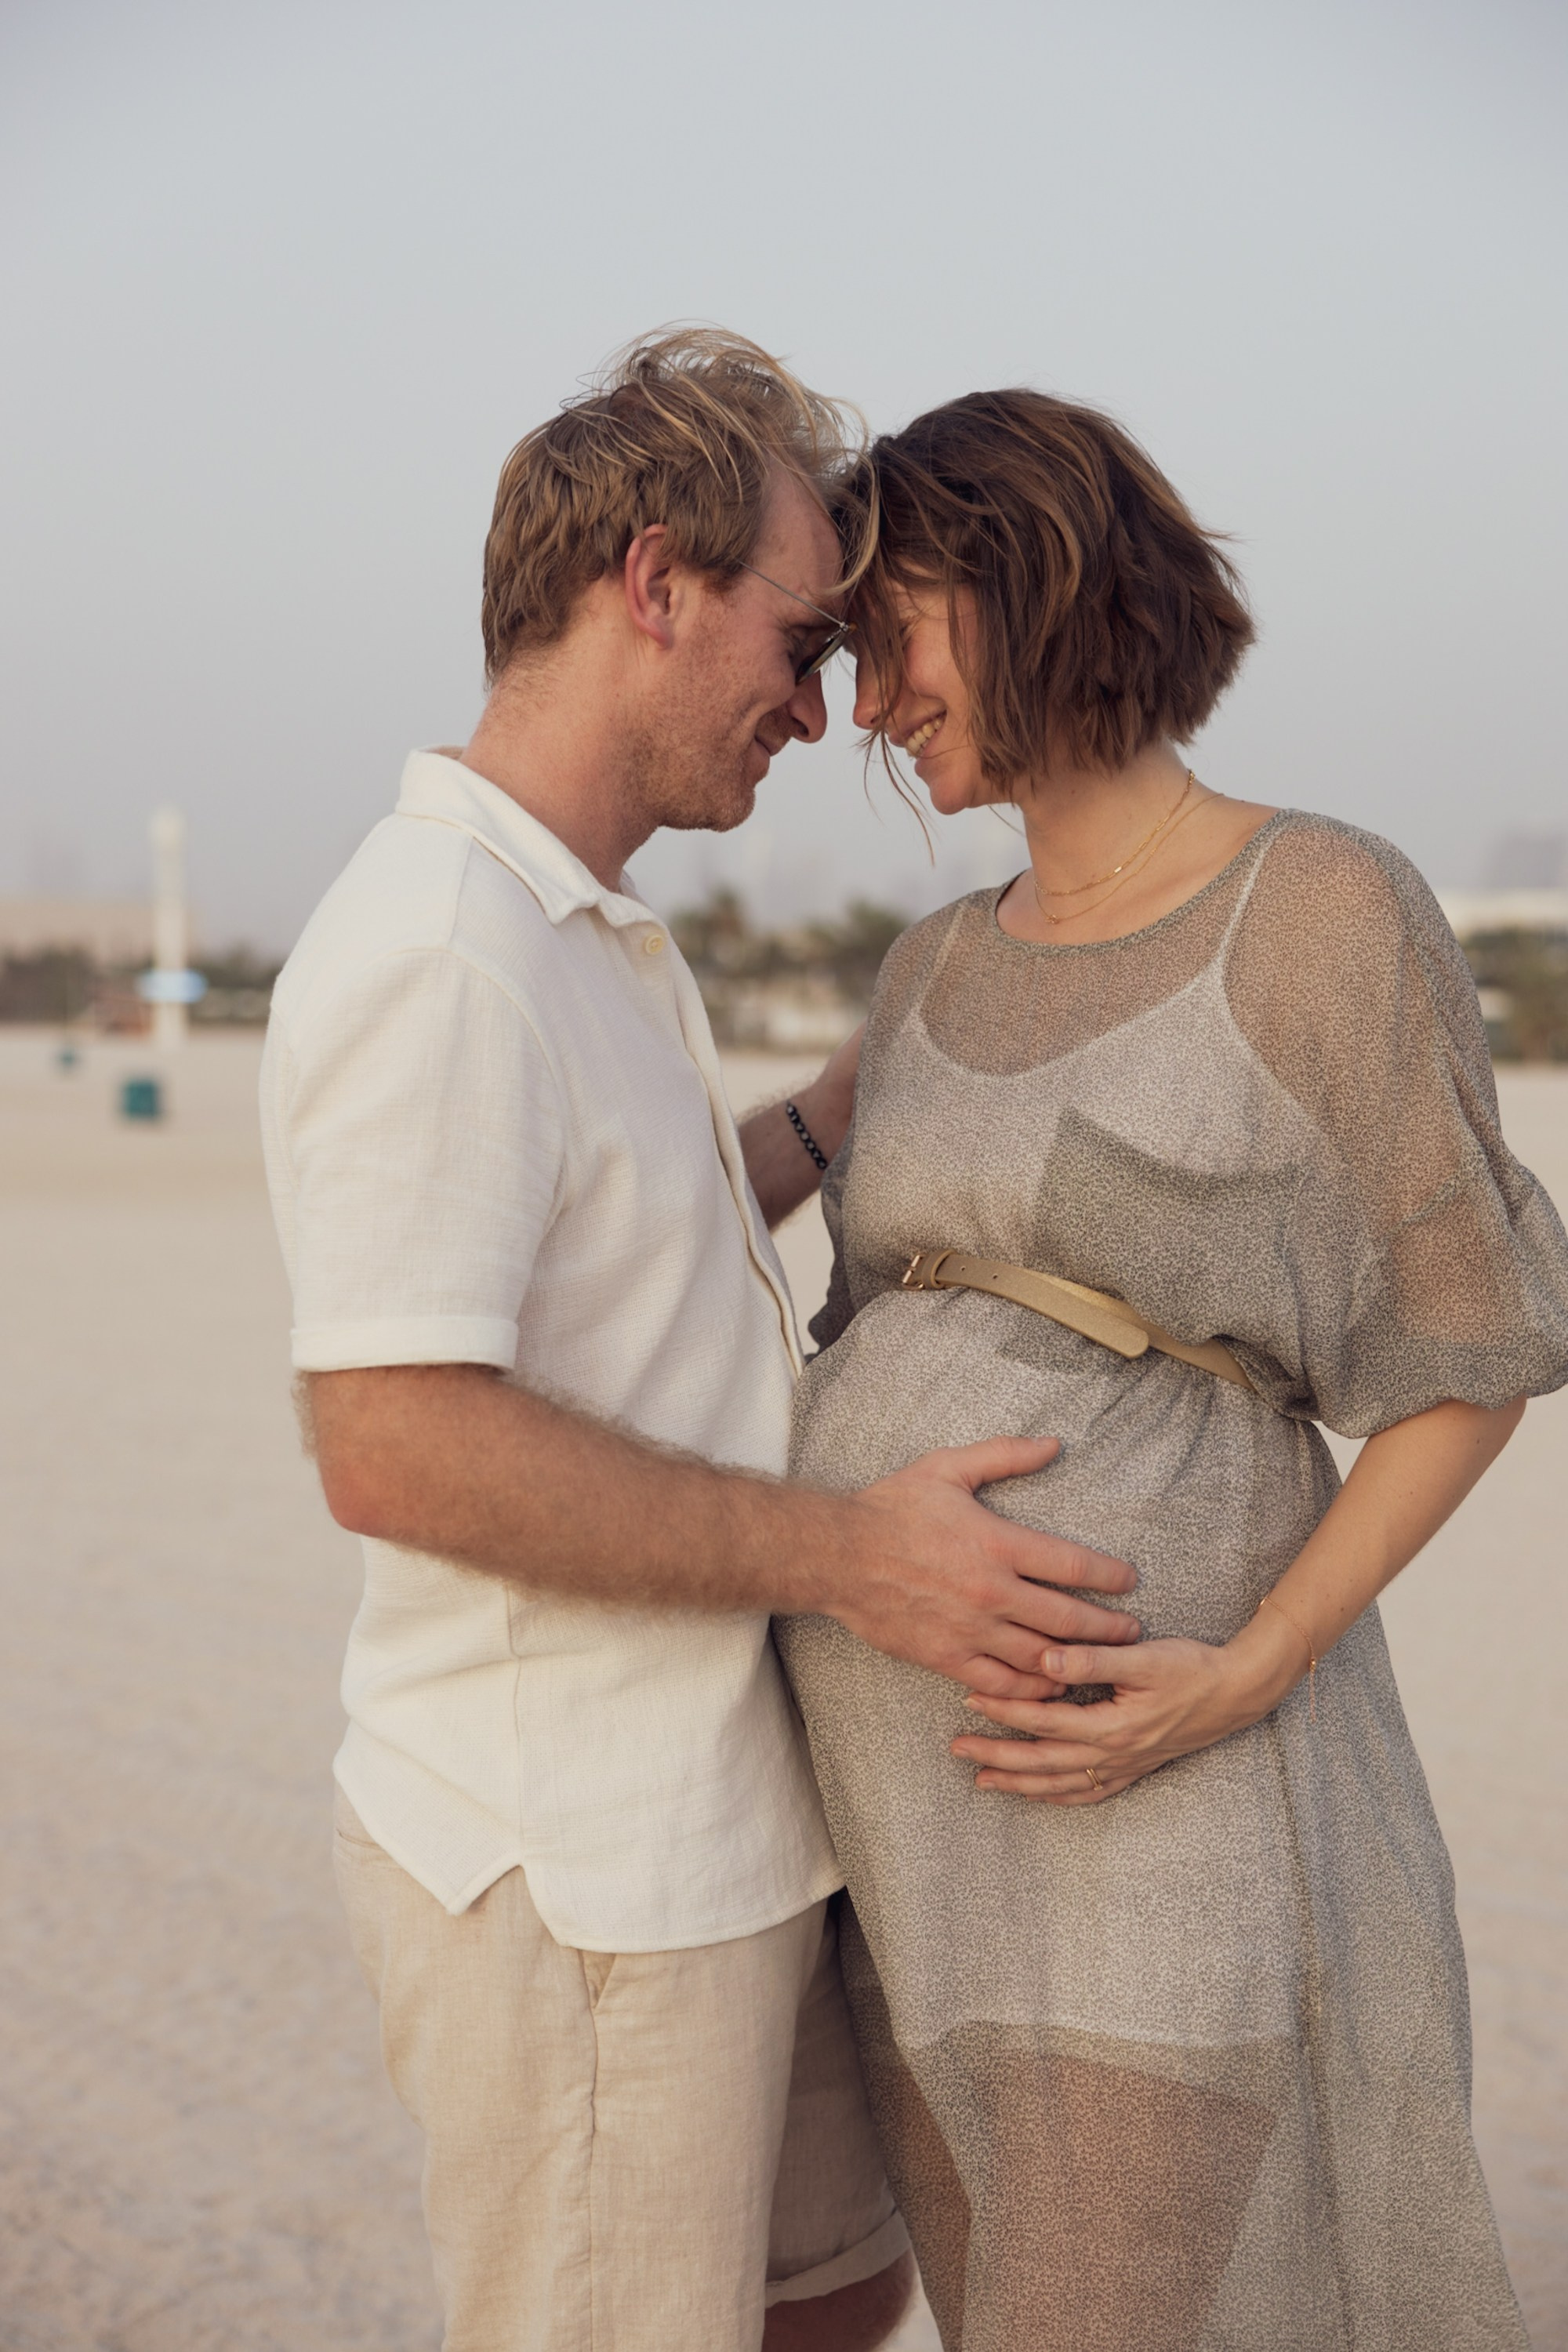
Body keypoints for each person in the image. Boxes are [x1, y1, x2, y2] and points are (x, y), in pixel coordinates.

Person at [259, 332, 1142, 2352]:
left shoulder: (585, 928)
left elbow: (630, 1258)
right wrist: (861, 1559)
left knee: (834, 2300)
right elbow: (393, 1441)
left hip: (739, 1832)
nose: (824, 708)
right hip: (580, 1879)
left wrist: (846, 1108)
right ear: (650, 585)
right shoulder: (439, 952)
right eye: (799, 639)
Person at [777, 387, 1568, 2351]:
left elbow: (1471, 1350)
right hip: (907, 1838)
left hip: (1167, 1788)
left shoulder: (1318, 905)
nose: (867, 707)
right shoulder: (928, 962)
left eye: (891, 639)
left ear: (1022, 575)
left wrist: (1246, 1668)